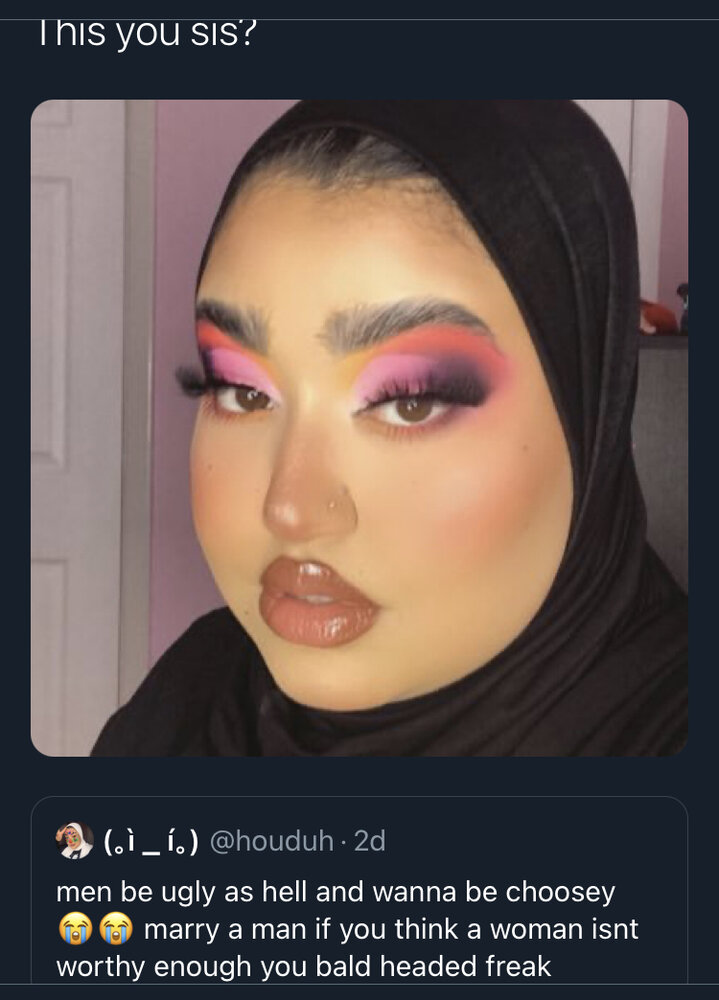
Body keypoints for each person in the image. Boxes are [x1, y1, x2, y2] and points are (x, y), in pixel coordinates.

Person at [92, 100, 687, 757]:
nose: (289, 509)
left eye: (409, 403)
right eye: (242, 390)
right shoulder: (190, 691)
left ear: (593, 420)